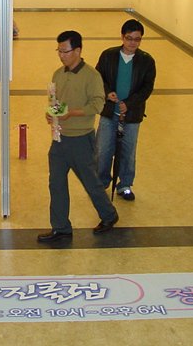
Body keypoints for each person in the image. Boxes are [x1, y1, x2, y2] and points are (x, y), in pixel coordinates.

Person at [37, 30, 119, 243]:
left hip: (81, 139)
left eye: (65, 51)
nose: (61, 55)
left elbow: (98, 104)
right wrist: (52, 114)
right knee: (56, 183)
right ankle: (61, 227)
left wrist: (71, 113)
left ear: (78, 50)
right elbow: (56, 102)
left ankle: (109, 215)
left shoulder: (91, 76)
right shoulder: (58, 74)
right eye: (59, 51)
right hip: (59, 139)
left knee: (90, 181)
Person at [95, 19, 156, 201]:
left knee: (128, 152)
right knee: (103, 150)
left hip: (132, 116)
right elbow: (98, 78)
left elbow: (147, 88)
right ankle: (101, 182)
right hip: (109, 112)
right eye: (129, 38)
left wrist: (129, 103)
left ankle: (125, 185)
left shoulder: (147, 61)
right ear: (122, 37)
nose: (132, 43)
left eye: (137, 39)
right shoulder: (108, 56)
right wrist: (107, 93)